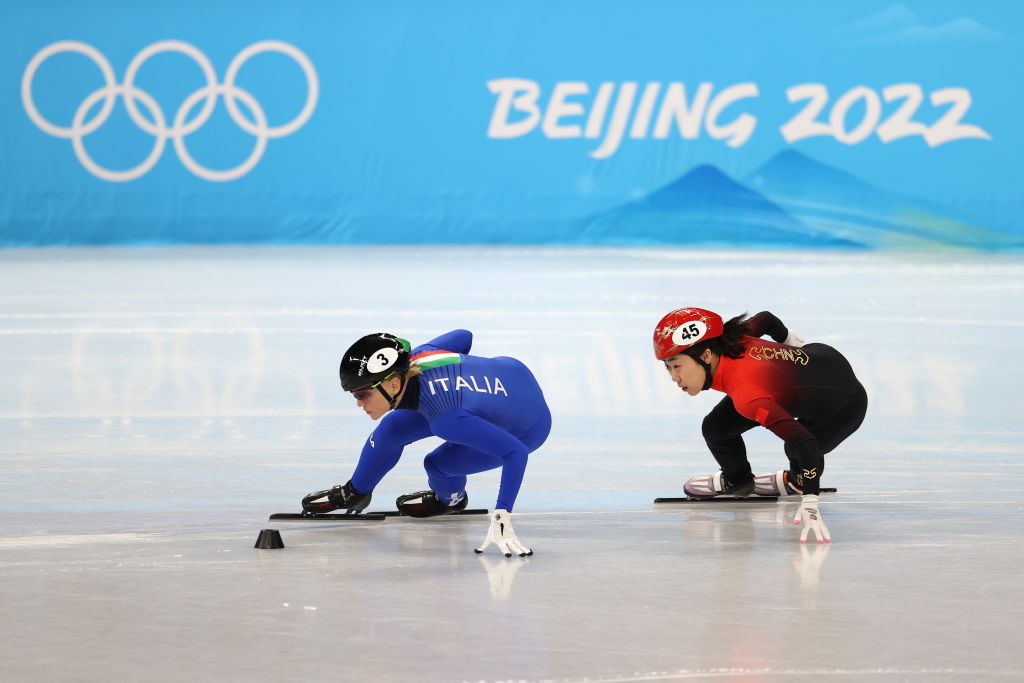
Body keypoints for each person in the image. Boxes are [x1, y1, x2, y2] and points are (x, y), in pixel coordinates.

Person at [301, 329, 551, 557]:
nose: (358, 403)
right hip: (513, 372)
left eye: (362, 394)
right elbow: (464, 336)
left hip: (528, 427)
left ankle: (451, 500)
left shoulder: (447, 419)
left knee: (437, 465)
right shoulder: (420, 355)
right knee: (391, 428)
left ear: (394, 383)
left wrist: (502, 515)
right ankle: (356, 493)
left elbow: (515, 452)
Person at [653, 308, 867, 543]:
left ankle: (798, 482)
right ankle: (739, 481)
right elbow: (765, 319)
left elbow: (805, 441)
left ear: (705, 356)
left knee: (794, 448)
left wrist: (810, 500)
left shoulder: (749, 397)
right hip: (821, 359)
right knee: (715, 428)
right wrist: (786, 339)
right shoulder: (731, 340)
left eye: (677, 366)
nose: (673, 377)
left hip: (844, 407)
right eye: (668, 368)